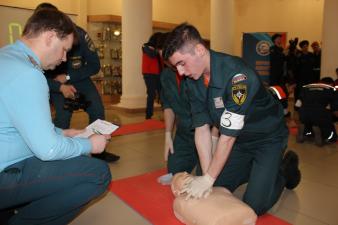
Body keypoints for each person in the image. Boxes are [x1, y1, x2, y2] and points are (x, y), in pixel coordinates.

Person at [162, 23, 301, 215]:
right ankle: (256, 170)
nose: (180, 72)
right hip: (240, 141)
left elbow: (226, 137)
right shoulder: (193, 81)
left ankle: (284, 168)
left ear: (200, 50)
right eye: (176, 66)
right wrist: (206, 176)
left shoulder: (238, 76)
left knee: (255, 205)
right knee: (212, 182)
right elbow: (201, 129)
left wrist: (208, 179)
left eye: (181, 63)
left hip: (267, 138)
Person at [0, 8, 111, 224]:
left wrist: (65, 132)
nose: (64, 58)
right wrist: (91, 145)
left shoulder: (7, 57)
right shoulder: (28, 74)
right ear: (50, 37)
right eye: (64, 50)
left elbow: (16, 123)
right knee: (98, 174)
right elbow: (49, 150)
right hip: (5, 173)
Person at [36, 3, 120, 163]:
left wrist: (67, 77)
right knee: (62, 117)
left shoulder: (78, 34)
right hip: (54, 82)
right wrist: (59, 86)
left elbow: (95, 65)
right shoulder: (37, 39)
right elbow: (38, 77)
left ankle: (97, 151)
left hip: (78, 77)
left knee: (97, 111)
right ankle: (63, 157)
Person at [297, 77, 338, 145]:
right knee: (326, 119)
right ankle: (327, 137)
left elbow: (297, 105)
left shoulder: (306, 87)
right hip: (318, 114)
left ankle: (306, 132)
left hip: (303, 113)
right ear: (330, 84)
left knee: (308, 120)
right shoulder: (331, 89)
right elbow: (335, 109)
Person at [142, 32, 163, 119]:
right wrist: (158, 51)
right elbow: (152, 55)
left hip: (159, 73)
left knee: (162, 94)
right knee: (151, 94)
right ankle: (148, 115)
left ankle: (166, 112)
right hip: (150, 73)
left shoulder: (157, 49)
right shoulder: (146, 47)